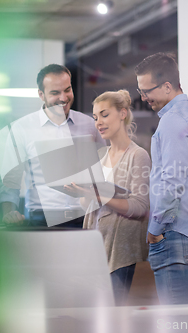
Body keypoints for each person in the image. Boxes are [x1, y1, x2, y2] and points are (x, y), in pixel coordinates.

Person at [134, 53, 188, 304]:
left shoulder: (173, 121)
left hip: (174, 233)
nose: (144, 98)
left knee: (177, 324)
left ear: (167, 86)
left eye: (147, 91)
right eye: (141, 91)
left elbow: (172, 181)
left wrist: (155, 230)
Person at [64, 90, 150, 306]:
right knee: (93, 316)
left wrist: (98, 196)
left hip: (119, 252)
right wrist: (81, 193)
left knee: (114, 315)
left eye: (104, 115)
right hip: (94, 248)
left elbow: (140, 207)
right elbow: (89, 203)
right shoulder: (100, 155)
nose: (98, 123)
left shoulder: (138, 155)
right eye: (95, 118)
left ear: (122, 114)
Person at [0, 64, 105, 228]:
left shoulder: (90, 125)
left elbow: (105, 170)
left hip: (87, 216)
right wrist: (9, 213)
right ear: (41, 95)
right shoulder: (22, 129)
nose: (63, 97)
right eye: (55, 93)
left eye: (67, 90)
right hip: (42, 218)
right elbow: (10, 181)